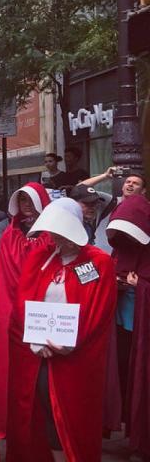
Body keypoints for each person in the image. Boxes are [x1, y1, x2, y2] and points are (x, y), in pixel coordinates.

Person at [6, 198, 117, 462]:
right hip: (37, 352)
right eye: (53, 233)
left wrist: (70, 343)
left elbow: (99, 311)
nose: (56, 239)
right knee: (40, 407)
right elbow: (24, 301)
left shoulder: (98, 262)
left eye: (62, 232)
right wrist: (35, 339)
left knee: (72, 413)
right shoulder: (40, 257)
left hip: (77, 358)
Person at [0, 183, 52, 438]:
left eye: (30, 199)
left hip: (43, 311)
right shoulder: (10, 235)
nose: (26, 203)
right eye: (22, 199)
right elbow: (6, 276)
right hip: (14, 310)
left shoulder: (50, 235)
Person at [106, 195, 150, 459]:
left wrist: (140, 286)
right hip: (122, 328)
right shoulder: (121, 248)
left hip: (142, 332)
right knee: (124, 380)